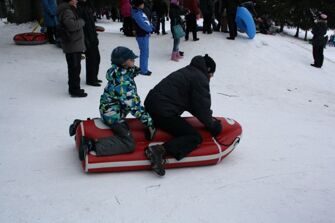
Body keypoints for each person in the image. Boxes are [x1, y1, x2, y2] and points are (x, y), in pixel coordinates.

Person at [144, 54, 222, 176]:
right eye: (212, 74)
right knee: (194, 136)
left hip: (152, 105)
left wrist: (207, 121)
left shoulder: (189, 71)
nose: (211, 77)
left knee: (177, 123)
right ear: (208, 70)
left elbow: (193, 105)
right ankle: (158, 151)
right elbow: (202, 107)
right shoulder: (200, 78)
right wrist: (212, 125)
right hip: (163, 112)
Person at [74, 47, 156, 160]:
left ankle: (80, 124)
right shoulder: (123, 82)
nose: (133, 60)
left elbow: (130, 74)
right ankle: (92, 145)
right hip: (113, 115)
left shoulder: (119, 73)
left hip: (109, 109)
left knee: (114, 117)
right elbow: (134, 106)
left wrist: (134, 70)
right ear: (123, 62)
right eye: (131, 59)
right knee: (128, 143)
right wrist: (149, 123)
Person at [57, 0, 87, 97]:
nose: (76, 1)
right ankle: (74, 90)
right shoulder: (67, 11)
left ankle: (74, 88)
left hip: (74, 44)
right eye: (74, 0)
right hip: (72, 44)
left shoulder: (70, 10)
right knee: (74, 68)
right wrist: (82, 21)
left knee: (75, 68)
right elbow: (71, 25)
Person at [77, 0, 102, 87]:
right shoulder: (79, 8)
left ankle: (94, 77)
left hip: (92, 36)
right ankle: (91, 79)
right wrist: (84, 39)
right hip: (86, 37)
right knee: (91, 58)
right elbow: (81, 25)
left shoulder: (88, 6)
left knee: (97, 58)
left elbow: (91, 23)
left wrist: (95, 33)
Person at [131, 0, 154, 76]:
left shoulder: (140, 11)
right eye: (142, 3)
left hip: (144, 34)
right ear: (139, 5)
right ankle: (143, 70)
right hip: (141, 35)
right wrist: (150, 29)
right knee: (144, 53)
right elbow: (142, 25)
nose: (144, 4)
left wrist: (151, 26)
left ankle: (144, 68)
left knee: (145, 52)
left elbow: (146, 21)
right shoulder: (137, 13)